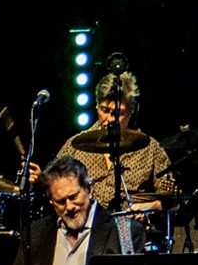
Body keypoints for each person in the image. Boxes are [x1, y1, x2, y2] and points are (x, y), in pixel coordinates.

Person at [51, 68, 178, 252]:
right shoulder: (75, 146)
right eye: (105, 110)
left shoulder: (149, 149)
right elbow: (55, 187)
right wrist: (41, 179)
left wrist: (147, 207)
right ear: (97, 106)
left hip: (132, 236)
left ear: (132, 110)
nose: (110, 119)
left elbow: (172, 199)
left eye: (118, 113)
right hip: (83, 235)